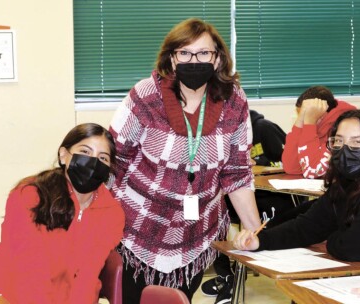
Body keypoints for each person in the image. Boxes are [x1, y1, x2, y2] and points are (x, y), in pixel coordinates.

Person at [108, 18, 261, 303]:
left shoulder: (234, 101)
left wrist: (255, 231)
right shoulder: (145, 95)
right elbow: (115, 161)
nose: (195, 60)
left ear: (218, 59)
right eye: (185, 53)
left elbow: (237, 172)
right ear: (171, 58)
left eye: (204, 53)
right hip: (137, 230)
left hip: (196, 233)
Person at [234, 109, 360, 262]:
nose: (345, 149)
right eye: (338, 141)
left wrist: (329, 237)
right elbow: (308, 226)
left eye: (357, 142)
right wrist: (260, 240)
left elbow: (354, 249)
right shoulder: (349, 182)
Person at [0, 123, 125, 304]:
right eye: (85, 152)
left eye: (103, 158)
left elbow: (87, 276)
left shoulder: (112, 214)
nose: (93, 162)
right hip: (13, 297)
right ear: (63, 155)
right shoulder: (29, 195)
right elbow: (28, 270)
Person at [201, 109, 293, 304]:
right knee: (214, 222)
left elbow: (287, 162)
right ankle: (227, 277)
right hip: (237, 195)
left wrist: (256, 162)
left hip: (268, 197)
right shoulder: (217, 136)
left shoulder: (264, 129)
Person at [281, 85, 356, 178]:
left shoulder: (342, 128)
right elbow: (291, 168)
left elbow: (313, 171)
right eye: (301, 115)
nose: (304, 119)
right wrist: (300, 122)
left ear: (322, 113)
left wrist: (310, 123)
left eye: (306, 114)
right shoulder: (316, 128)